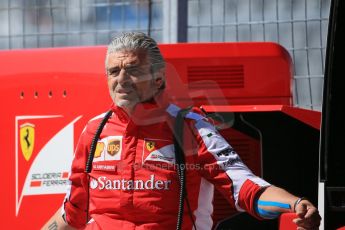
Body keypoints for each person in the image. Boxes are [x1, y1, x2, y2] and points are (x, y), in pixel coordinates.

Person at [43, 32, 321, 230]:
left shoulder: (189, 126)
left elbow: (245, 189)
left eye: (133, 70)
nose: (122, 80)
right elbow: (73, 212)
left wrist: (294, 203)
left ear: (159, 79)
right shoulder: (94, 131)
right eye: (114, 71)